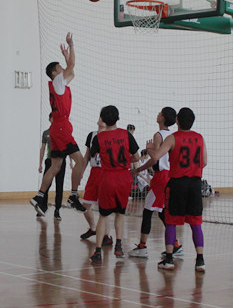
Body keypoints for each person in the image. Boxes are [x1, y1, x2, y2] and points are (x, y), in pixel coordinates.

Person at [30, 32, 86, 216]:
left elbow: (72, 71)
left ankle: (39, 196)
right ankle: (74, 195)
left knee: (55, 167)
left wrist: (66, 59)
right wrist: (71, 45)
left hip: (57, 128)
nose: (64, 68)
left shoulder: (59, 84)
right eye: (60, 67)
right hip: (61, 128)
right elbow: (72, 66)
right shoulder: (57, 81)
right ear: (55, 73)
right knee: (80, 160)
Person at [146, 107, 207, 272]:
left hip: (177, 184)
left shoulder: (173, 138)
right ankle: (200, 260)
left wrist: (150, 149)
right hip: (195, 184)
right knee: (196, 223)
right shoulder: (199, 138)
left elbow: (156, 156)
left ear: (178, 121)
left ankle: (169, 259)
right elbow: (204, 162)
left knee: (171, 222)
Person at [129, 107, 183, 259]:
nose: (157, 114)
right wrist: (139, 169)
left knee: (148, 211)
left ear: (163, 118)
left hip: (161, 177)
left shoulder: (158, 135)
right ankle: (175, 245)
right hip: (169, 176)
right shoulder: (173, 136)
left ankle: (142, 247)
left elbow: (154, 159)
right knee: (161, 212)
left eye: (160, 113)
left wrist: (147, 152)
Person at [89, 106, 139, 263]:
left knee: (103, 216)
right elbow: (136, 157)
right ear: (118, 118)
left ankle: (98, 251)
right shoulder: (126, 134)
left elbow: (93, 155)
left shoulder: (99, 138)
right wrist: (125, 160)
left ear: (102, 120)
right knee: (120, 213)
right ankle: (118, 245)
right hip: (124, 178)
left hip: (107, 177)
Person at [80, 118, 112, 246]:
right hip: (94, 173)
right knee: (85, 205)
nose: (101, 120)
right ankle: (93, 228)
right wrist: (81, 172)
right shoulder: (92, 135)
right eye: (100, 117)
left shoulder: (111, 135)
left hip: (106, 172)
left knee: (104, 207)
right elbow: (86, 156)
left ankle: (107, 236)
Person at [38, 113, 67, 220]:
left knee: (59, 185)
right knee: (46, 184)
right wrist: (40, 164)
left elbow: (68, 146)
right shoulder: (46, 133)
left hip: (61, 161)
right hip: (49, 161)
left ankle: (57, 210)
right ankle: (43, 207)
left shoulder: (63, 132)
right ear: (50, 119)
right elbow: (42, 148)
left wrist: (71, 162)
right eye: (53, 118)